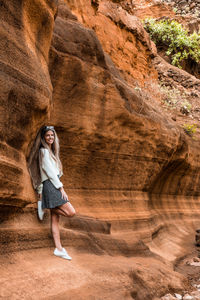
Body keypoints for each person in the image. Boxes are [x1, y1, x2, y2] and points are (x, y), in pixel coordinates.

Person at [28, 125, 76, 260]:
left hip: (53, 184)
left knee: (55, 219)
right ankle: (44, 205)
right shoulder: (43, 151)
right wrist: (61, 188)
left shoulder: (51, 152)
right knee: (71, 212)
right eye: (48, 135)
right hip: (51, 185)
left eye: (52, 135)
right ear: (43, 137)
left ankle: (59, 249)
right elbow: (49, 172)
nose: (50, 137)